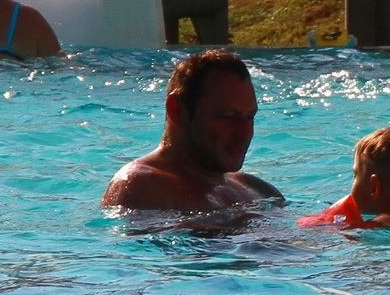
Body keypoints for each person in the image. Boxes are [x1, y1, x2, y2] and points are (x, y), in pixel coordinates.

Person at [103, 49, 282, 211]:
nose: (245, 133)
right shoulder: (142, 186)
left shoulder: (258, 190)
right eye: (227, 116)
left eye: (250, 117)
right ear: (177, 111)